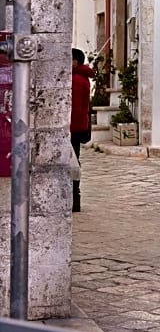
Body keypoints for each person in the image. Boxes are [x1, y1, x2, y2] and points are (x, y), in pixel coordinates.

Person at [71, 48, 94, 212]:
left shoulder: (76, 80)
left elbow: (75, 108)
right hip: (78, 127)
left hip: (73, 127)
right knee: (74, 160)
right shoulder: (82, 77)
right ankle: (74, 197)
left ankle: (73, 197)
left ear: (75, 61)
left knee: (72, 163)